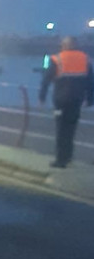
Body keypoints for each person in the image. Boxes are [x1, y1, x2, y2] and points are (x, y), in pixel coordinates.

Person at [39, 36, 94, 168]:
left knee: (61, 129)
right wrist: (90, 99)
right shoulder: (85, 59)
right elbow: (91, 81)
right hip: (77, 100)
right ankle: (69, 156)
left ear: (63, 45)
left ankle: (61, 159)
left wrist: (42, 97)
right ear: (76, 45)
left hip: (61, 100)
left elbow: (46, 80)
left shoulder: (57, 59)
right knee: (71, 129)